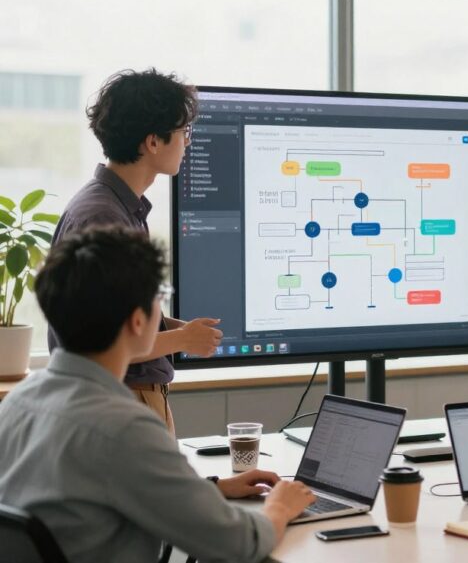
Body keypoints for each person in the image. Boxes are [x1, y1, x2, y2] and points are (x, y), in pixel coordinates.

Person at [0, 226, 315, 563]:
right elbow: (237, 543)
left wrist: (212, 489)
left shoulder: (19, 402)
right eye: (158, 298)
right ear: (138, 321)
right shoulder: (123, 428)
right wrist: (280, 508)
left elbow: (90, 493)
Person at [49, 68, 223, 434]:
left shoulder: (118, 207)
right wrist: (183, 339)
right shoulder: (103, 218)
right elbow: (104, 342)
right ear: (153, 142)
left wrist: (178, 328)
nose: (188, 143)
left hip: (134, 396)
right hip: (125, 400)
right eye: (183, 132)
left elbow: (116, 318)